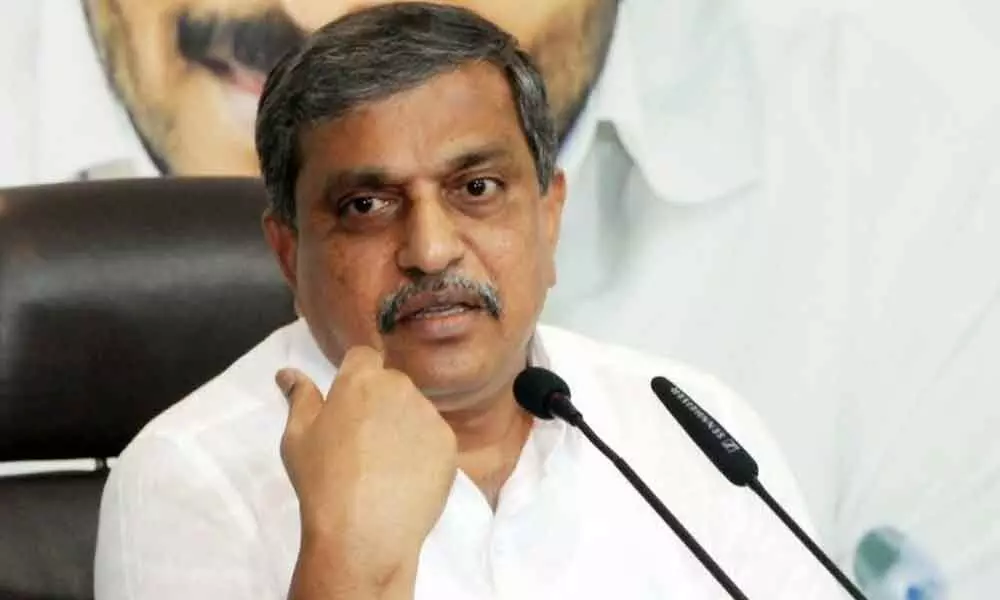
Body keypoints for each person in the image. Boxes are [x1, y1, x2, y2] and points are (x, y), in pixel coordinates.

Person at [94, 5, 843, 598]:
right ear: (288, 250)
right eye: (365, 205)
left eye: (476, 189)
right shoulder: (191, 474)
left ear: (548, 217)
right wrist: (346, 563)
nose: (430, 247)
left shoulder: (682, 427)